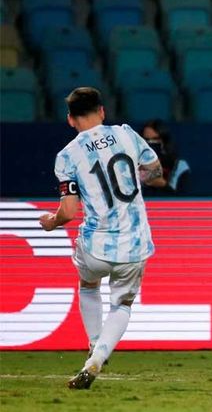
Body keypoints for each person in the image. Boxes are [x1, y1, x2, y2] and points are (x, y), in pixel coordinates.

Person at [39, 87, 166, 390]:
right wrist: (136, 178)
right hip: (135, 244)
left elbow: (68, 212)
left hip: (96, 247)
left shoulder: (67, 156)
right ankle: (98, 356)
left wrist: (50, 222)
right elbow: (155, 170)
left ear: (70, 119)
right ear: (102, 111)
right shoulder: (127, 134)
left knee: (88, 284)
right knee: (122, 304)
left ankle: (95, 342)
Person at [141, 119, 190, 195]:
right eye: (146, 140)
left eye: (155, 139)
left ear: (164, 141)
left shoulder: (179, 164)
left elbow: (183, 197)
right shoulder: (133, 163)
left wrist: (161, 184)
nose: (150, 143)